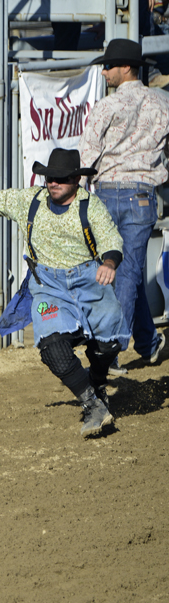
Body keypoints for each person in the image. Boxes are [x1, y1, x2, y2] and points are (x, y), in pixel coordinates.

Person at [0, 148, 129, 438]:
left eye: (59, 178)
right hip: (48, 286)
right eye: (49, 177)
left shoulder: (90, 206)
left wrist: (109, 262)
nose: (52, 183)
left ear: (75, 179)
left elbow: (110, 238)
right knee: (51, 347)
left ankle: (96, 381)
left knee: (109, 343)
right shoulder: (30, 201)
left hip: (89, 279)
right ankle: (91, 404)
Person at [78, 38, 169, 373]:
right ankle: (147, 343)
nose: (104, 71)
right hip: (142, 195)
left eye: (109, 66)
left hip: (105, 194)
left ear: (125, 67)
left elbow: (87, 153)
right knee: (129, 272)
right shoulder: (162, 104)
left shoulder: (106, 106)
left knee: (122, 273)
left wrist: (83, 196)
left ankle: (112, 352)